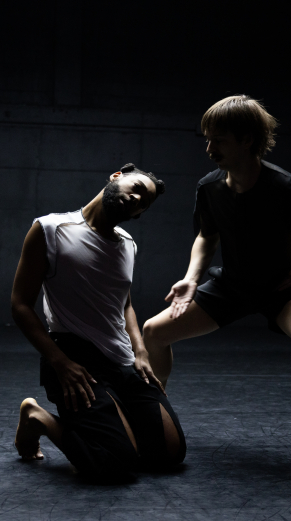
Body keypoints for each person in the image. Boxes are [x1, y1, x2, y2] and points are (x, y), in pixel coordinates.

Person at [140, 95, 291, 473]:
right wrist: (191, 279)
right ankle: (153, 417)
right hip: (231, 286)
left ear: (246, 140)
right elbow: (206, 236)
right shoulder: (210, 187)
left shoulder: (287, 188)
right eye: (207, 139)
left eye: (219, 140)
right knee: (153, 332)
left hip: (280, 290)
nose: (209, 148)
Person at [11, 163, 185, 480]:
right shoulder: (51, 229)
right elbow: (20, 305)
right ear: (117, 176)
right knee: (116, 462)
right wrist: (60, 362)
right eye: (137, 188)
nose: (138, 199)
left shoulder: (128, 243)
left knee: (171, 453)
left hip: (123, 359)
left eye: (145, 201)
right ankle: (38, 418)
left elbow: (125, 302)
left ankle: (114, 426)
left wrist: (140, 351)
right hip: (75, 358)